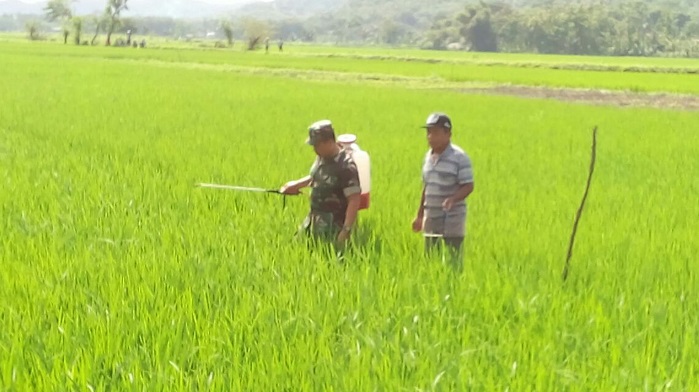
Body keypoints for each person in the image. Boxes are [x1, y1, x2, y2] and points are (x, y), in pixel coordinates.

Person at [281, 120, 361, 246]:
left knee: (327, 255)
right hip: (314, 218)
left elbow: (354, 200)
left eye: (316, 145)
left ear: (329, 142)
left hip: (334, 224)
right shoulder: (323, 156)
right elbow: (317, 176)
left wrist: (346, 231)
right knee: (296, 248)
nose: (314, 150)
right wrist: (295, 185)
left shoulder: (346, 166)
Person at [412, 112, 475, 271]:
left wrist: (453, 199)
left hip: (452, 219)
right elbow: (427, 187)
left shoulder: (460, 157)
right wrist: (420, 215)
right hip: (431, 217)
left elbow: (468, 185)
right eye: (428, 132)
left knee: (453, 262)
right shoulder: (428, 157)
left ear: (448, 134)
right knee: (430, 261)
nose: (430, 137)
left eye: (435, 132)